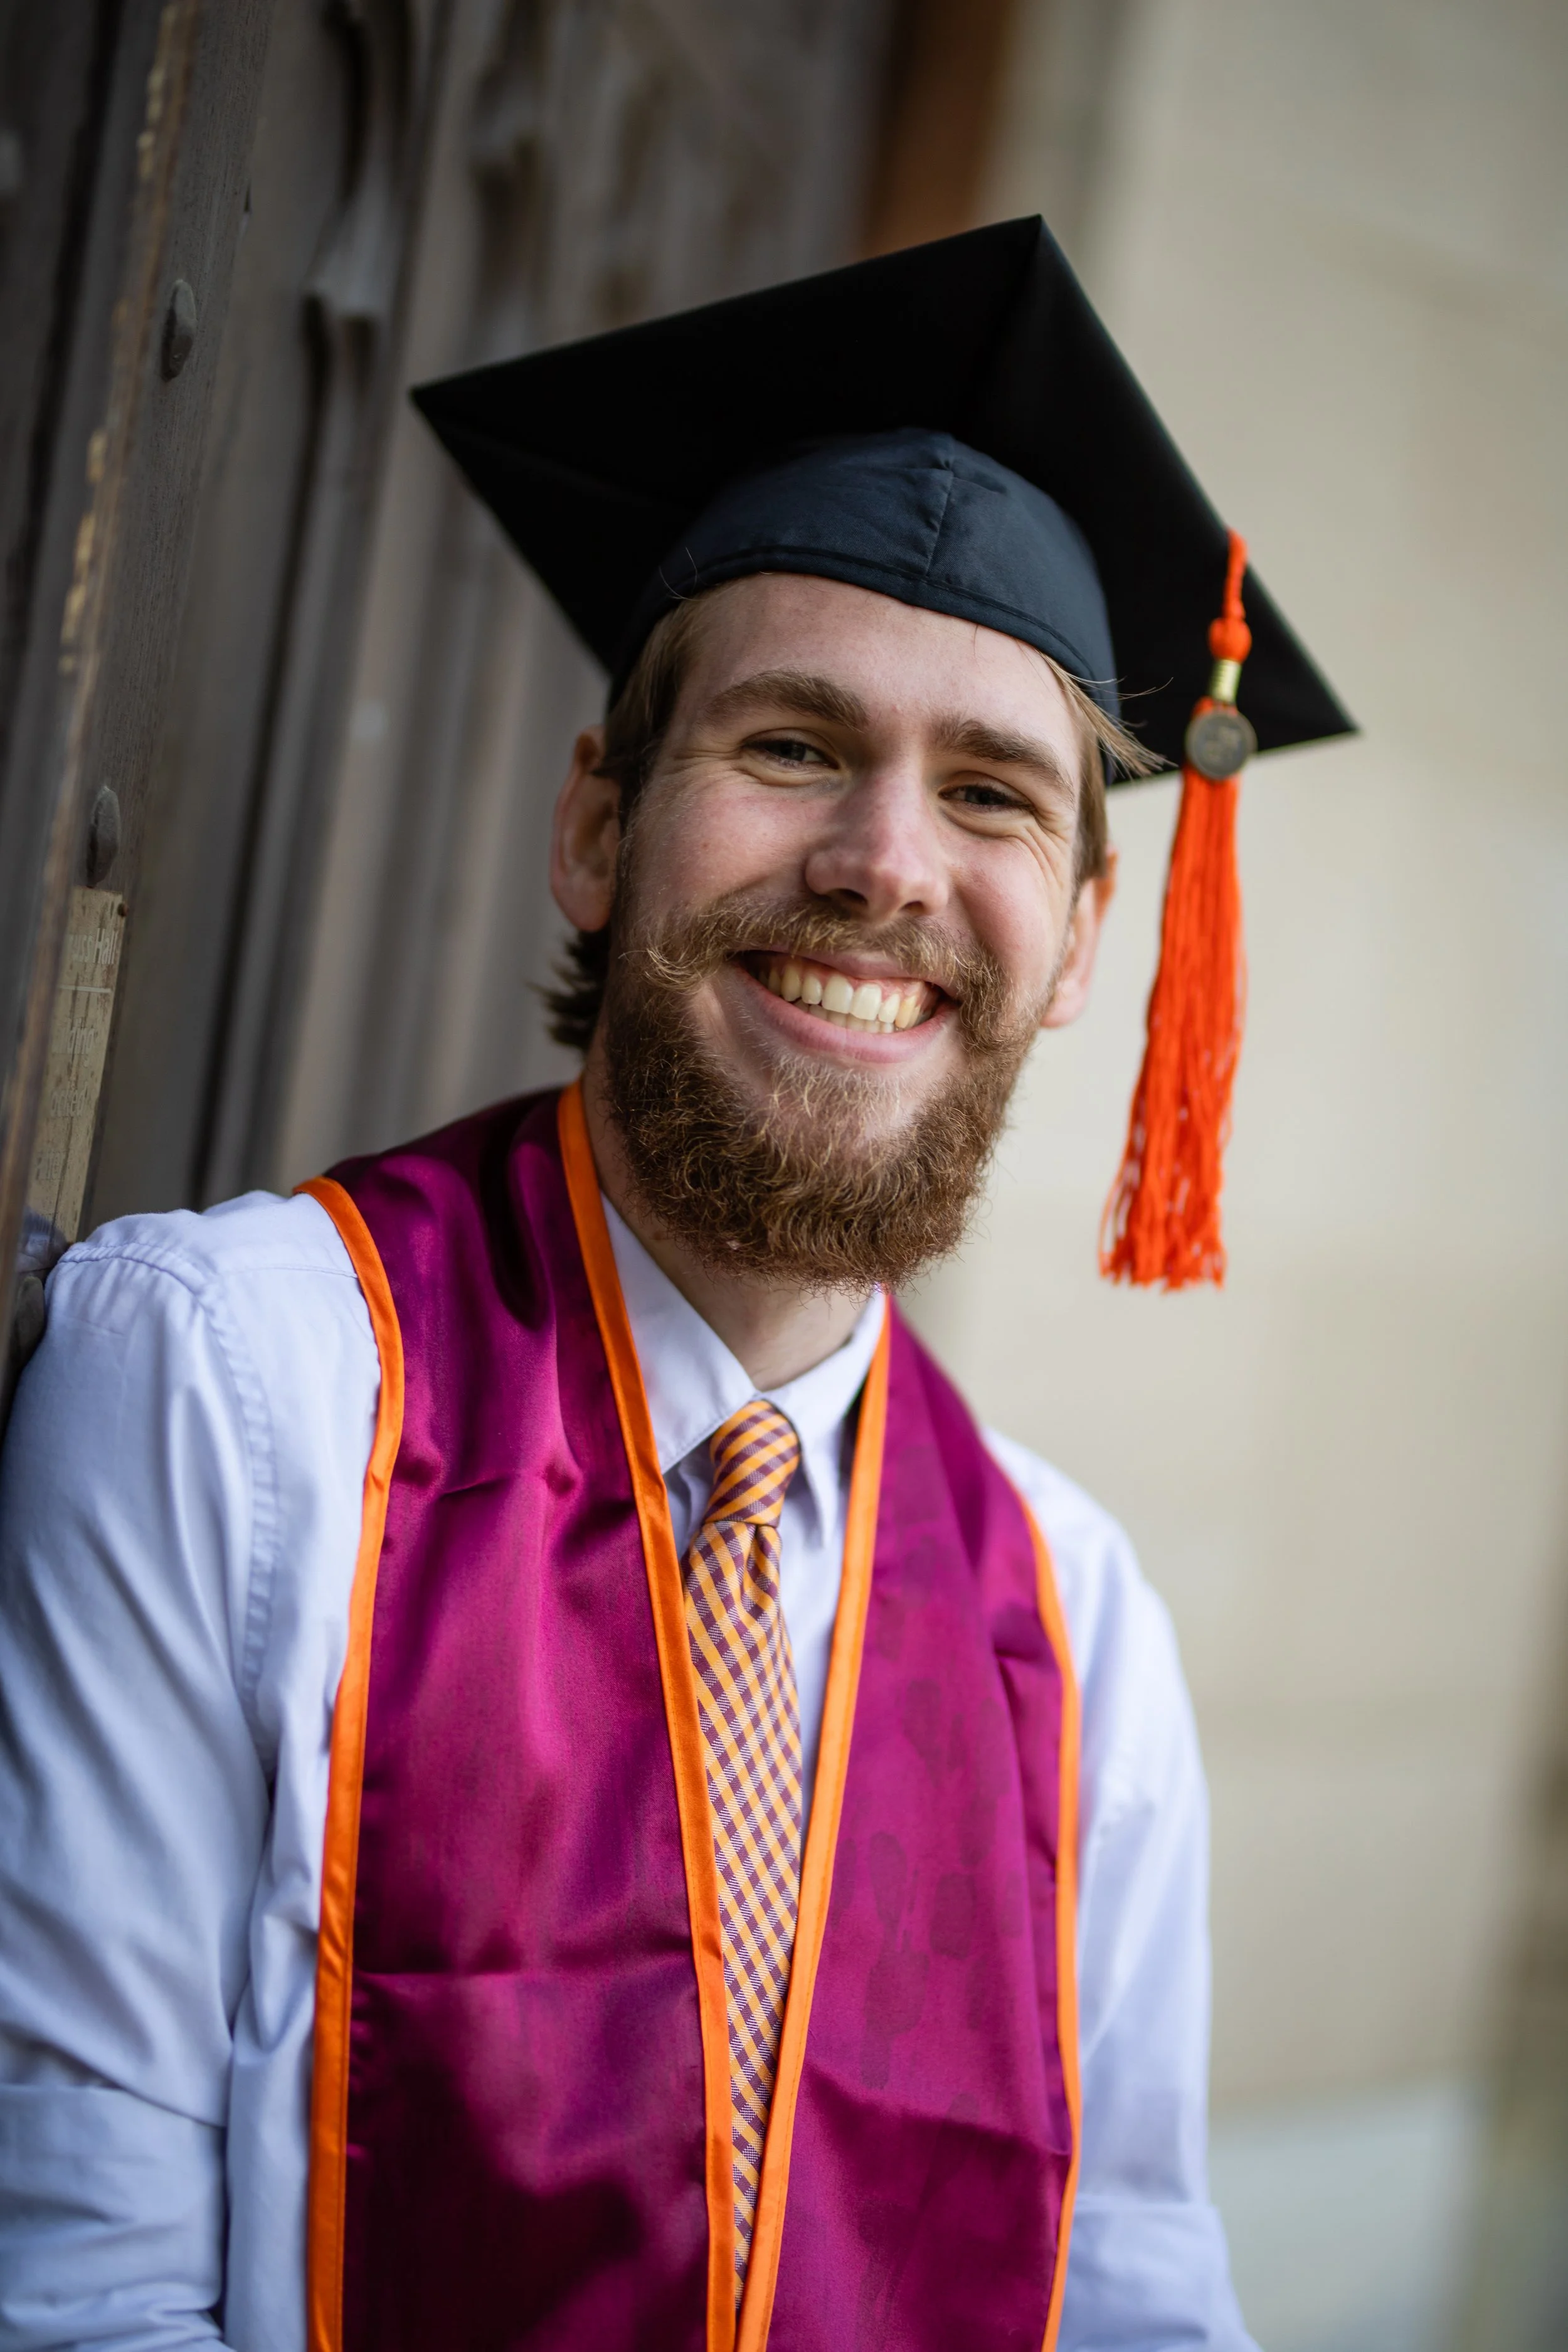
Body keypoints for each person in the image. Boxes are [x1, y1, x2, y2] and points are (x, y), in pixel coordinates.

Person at [0, 218, 1348, 2351]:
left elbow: (1139, 2306)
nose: (886, 864)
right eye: (796, 746)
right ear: (598, 827)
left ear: (1083, 942)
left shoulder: (1078, 1643)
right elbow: (66, 2278)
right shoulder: (231, 1391)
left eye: (991, 791)